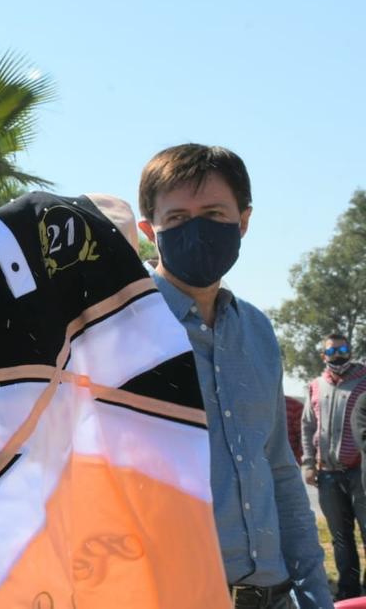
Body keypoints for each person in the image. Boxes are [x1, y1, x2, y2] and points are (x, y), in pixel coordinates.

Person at [137, 143, 331, 608]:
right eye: (178, 219)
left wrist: (314, 592)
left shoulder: (258, 331)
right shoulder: (121, 329)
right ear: (150, 230)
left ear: (243, 221)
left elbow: (279, 469)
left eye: (214, 214)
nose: (197, 229)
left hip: (273, 595)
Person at [303, 333, 366, 600]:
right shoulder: (316, 385)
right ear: (323, 356)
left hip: (360, 473)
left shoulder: (363, 380)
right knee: (340, 538)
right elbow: (307, 426)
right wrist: (308, 463)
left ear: (350, 350)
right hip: (328, 474)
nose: (338, 355)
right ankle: (348, 591)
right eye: (332, 351)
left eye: (342, 349)